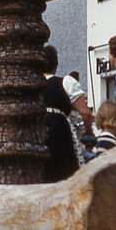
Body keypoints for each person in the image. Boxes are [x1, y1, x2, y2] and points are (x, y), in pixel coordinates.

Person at [42, 45, 80, 182]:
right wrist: (89, 130)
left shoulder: (32, 85)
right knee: (63, 172)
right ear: (56, 65)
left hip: (37, 130)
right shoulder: (65, 82)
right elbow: (84, 112)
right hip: (59, 130)